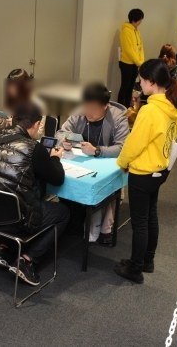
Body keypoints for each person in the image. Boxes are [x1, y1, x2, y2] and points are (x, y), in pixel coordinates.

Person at [0, 101, 68, 286]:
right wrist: (55, 158)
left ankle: (4, 250)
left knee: (4, 190)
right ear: (37, 124)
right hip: (14, 218)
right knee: (62, 212)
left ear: (13, 119)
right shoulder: (33, 148)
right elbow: (57, 179)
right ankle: (27, 261)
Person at [114, 59, 177, 283]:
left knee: (140, 222)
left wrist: (122, 162)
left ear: (152, 82)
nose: (139, 84)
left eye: (142, 80)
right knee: (151, 216)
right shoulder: (174, 105)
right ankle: (147, 261)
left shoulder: (150, 110)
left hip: (143, 171)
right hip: (161, 168)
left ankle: (135, 268)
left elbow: (134, 143)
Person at [59, 83, 129, 244]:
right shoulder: (80, 112)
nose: (88, 112)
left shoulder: (118, 117)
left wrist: (97, 151)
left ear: (105, 106)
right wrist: (64, 141)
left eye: (93, 109)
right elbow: (61, 132)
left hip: (108, 164)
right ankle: (73, 221)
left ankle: (104, 229)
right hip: (81, 163)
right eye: (86, 107)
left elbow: (123, 148)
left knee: (105, 187)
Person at [0, 68, 47, 138]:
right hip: (11, 138)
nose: (11, 90)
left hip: (29, 142)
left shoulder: (37, 104)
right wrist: (0, 122)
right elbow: (6, 127)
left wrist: (16, 127)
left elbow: (39, 134)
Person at [118, 9, 145, 107]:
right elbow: (128, 50)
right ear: (134, 20)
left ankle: (127, 107)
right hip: (126, 63)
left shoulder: (136, 30)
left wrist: (141, 61)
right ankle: (121, 108)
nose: (140, 22)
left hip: (135, 64)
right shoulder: (126, 31)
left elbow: (140, 46)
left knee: (130, 87)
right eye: (140, 20)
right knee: (125, 87)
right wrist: (139, 62)